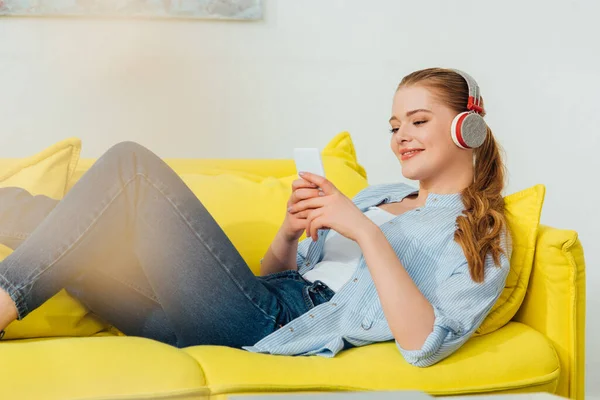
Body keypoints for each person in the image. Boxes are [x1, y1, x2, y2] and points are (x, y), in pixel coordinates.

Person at [0, 67, 511, 367]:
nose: (401, 136)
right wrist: (289, 234)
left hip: (270, 325)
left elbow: (423, 344)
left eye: (419, 121)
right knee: (46, 218)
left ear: (468, 129)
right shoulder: (377, 195)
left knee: (131, 167)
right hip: (219, 315)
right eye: (395, 124)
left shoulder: (480, 230)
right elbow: (269, 283)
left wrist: (360, 231)